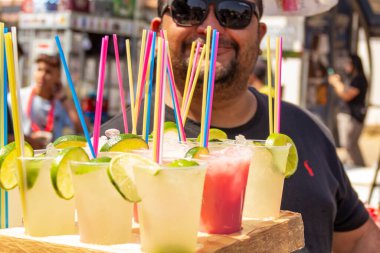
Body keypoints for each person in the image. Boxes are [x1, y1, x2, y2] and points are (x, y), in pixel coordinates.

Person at [101, 0, 380, 252]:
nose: (210, 27)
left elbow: (357, 238)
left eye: (234, 13)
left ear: (260, 36)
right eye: (188, 9)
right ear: (158, 31)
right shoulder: (112, 149)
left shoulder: (305, 129)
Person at [8, 54, 82, 148]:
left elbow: (82, 129)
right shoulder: (16, 97)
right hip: (24, 153)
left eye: (48, 72)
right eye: (39, 69)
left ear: (58, 76)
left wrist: (64, 99)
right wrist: (30, 140)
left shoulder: (61, 102)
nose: (42, 75)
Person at [328, 54, 368, 167]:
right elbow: (342, 93)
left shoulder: (359, 79)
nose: (345, 66)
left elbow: (346, 95)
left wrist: (336, 83)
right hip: (347, 114)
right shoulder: (349, 78)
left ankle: (359, 165)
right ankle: (356, 164)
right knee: (349, 145)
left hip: (354, 116)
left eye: (348, 63)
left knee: (349, 144)